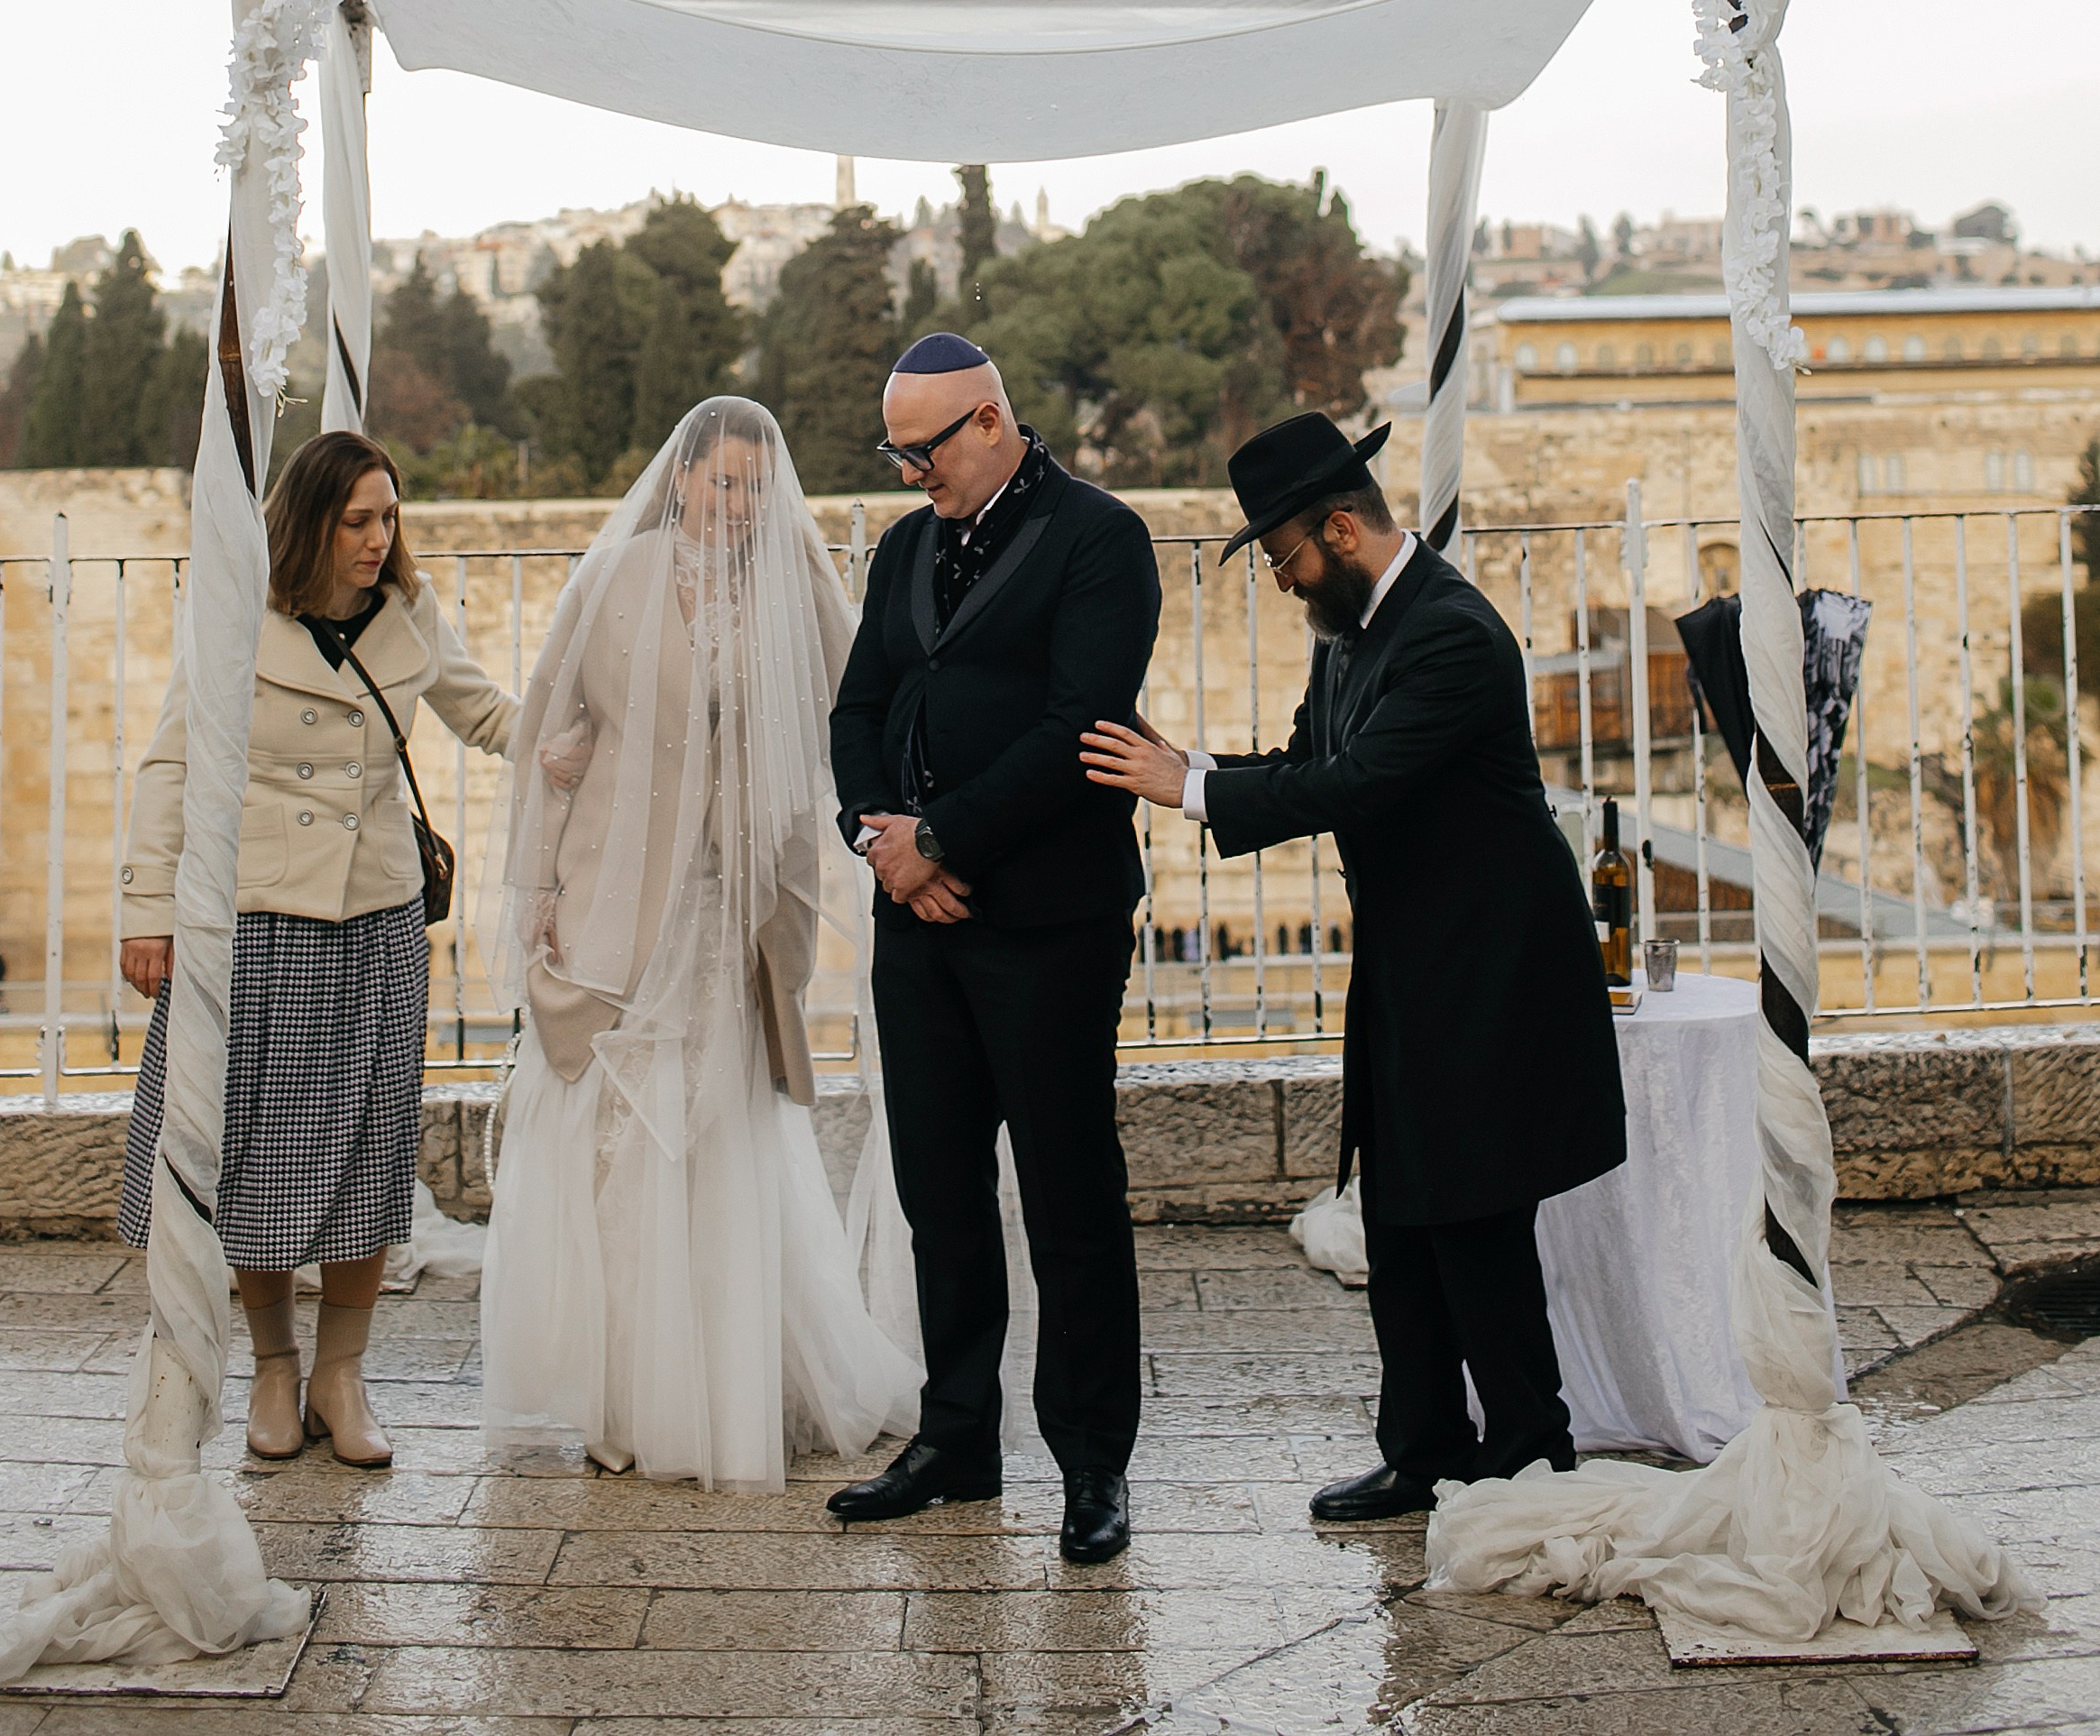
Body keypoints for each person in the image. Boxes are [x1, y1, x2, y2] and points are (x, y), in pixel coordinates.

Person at [1080, 410, 1625, 1523]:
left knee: (1473, 1219)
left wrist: (1181, 789)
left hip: (1489, 970)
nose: (1281, 581)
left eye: (1283, 556)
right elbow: (1300, 763)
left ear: (1340, 527)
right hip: (1412, 963)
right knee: (1403, 1212)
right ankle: (1423, 1447)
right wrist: (1190, 762)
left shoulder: (1451, 636)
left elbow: (1356, 784)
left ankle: (1531, 1449)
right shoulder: (1347, 630)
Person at [481, 396, 919, 1488]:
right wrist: (535, 878)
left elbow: (860, 706)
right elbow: (545, 726)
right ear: (680, 478)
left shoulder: (794, 589)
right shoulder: (612, 581)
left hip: (737, 915)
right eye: (720, 483)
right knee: (616, 1145)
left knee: (718, 1131)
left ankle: (729, 1382)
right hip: (613, 905)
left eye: (754, 490)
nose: (735, 506)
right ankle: (624, 1390)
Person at [118, 429, 518, 1465]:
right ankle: (275, 1365)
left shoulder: (410, 611)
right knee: (255, 1156)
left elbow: (486, 715)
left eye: (389, 517)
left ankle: (343, 1374)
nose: (378, 540)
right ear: (308, 524)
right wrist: (146, 909)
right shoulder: (234, 618)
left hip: (377, 914)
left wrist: (609, 730)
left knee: (366, 1152)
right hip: (259, 917)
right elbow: (170, 763)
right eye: (356, 521)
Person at [826, 332, 1161, 1566]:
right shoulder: (905, 546)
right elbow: (857, 706)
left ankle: (1091, 1464)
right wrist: (883, 847)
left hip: (1048, 921)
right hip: (914, 921)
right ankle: (954, 1435)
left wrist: (945, 839)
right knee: (938, 1192)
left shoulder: (1099, 539)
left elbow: (1082, 721)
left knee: (1070, 1194)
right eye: (894, 451)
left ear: (988, 422)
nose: (911, 473)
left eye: (923, 449)